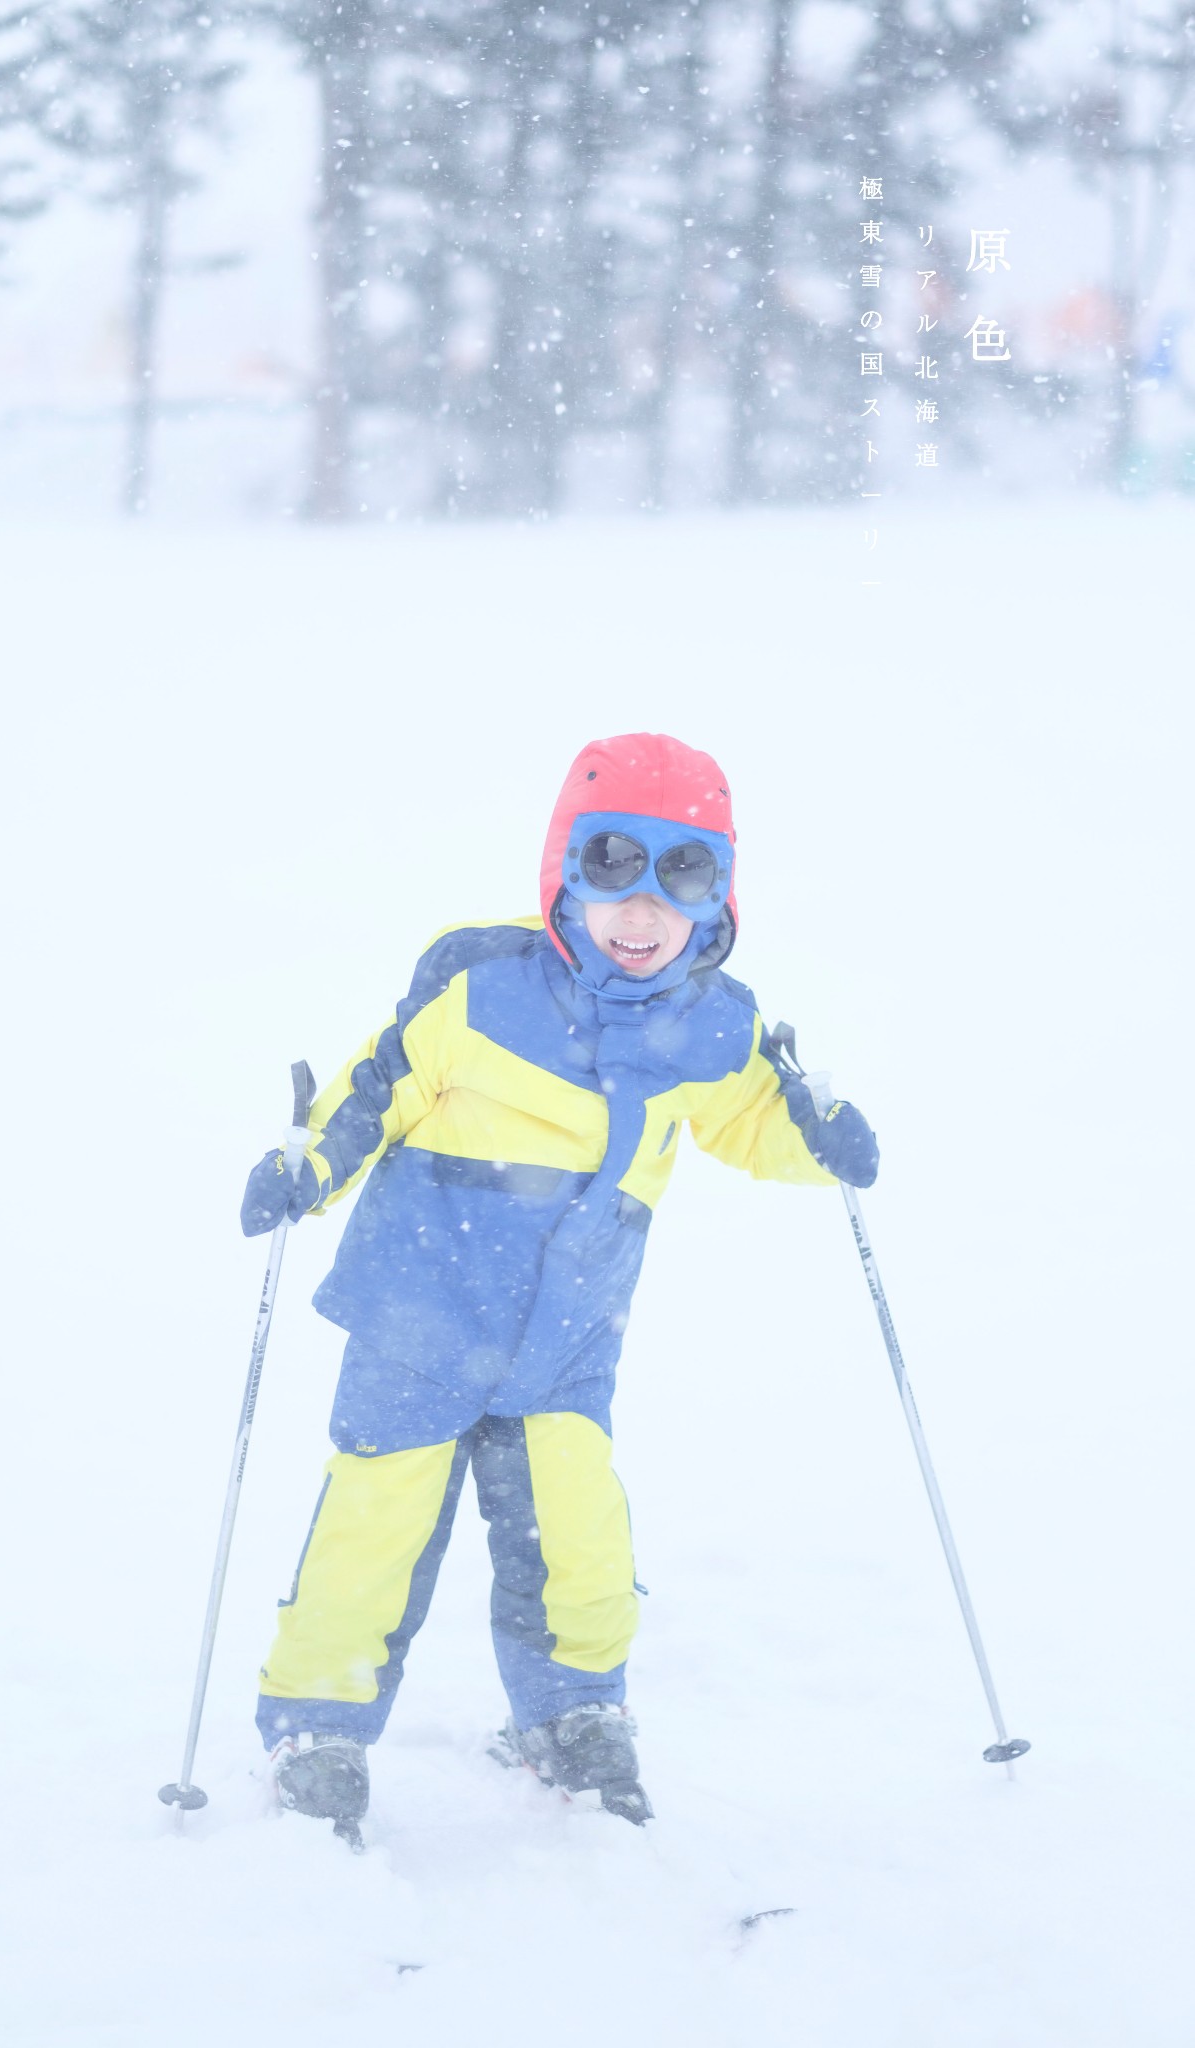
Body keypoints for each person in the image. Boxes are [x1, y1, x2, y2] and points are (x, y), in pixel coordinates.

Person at [240, 731, 877, 1831]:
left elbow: (754, 1119)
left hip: (567, 1338)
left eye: (681, 877)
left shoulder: (717, 1027)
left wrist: (816, 1134)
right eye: (613, 867)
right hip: (420, 1314)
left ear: (717, 894)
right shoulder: (481, 986)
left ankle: (574, 1710)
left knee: (577, 1536)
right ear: (562, 871)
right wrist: (315, 1159)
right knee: (374, 1524)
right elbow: (379, 1084)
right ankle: (319, 1721)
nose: (641, 912)